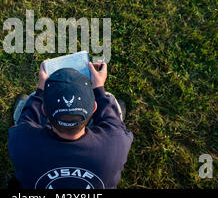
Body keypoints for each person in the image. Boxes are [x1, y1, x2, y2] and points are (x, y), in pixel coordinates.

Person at [8, 61, 133, 189]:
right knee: (110, 101)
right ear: (95, 108)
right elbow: (114, 124)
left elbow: (27, 120)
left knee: (29, 101)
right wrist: (99, 88)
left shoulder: (20, 141)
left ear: (44, 111)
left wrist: (40, 90)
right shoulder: (115, 142)